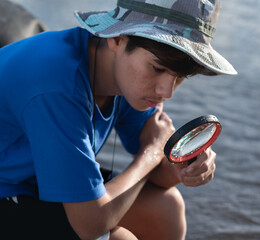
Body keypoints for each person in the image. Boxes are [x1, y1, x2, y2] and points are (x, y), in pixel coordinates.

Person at [0, 0, 237, 239]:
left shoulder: (128, 80)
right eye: (158, 68)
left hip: (35, 179)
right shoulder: (57, 85)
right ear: (117, 39)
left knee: (166, 207)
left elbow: (161, 175)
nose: (167, 91)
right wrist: (153, 152)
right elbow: (91, 224)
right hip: (7, 185)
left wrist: (186, 165)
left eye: (180, 76)